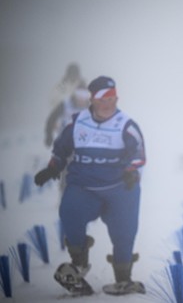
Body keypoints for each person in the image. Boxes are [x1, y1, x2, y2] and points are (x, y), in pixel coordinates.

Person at [34, 76, 146, 296]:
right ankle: (79, 264)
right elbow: (61, 149)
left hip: (119, 188)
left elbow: (139, 154)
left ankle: (123, 278)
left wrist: (132, 172)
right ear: (92, 101)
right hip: (84, 186)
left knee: (124, 230)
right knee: (69, 212)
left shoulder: (126, 125)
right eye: (103, 100)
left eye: (112, 99)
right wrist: (54, 167)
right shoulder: (77, 123)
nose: (108, 105)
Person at [43, 86, 90, 197]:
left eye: (84, 97)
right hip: (66, 143)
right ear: (75, 95)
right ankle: (64, 193)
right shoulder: (65, 104)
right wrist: (48, 135)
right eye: (79, 97)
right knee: (66, 168)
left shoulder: (91, 107)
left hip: (84, 144)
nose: (81, 100)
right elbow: (51, 119)